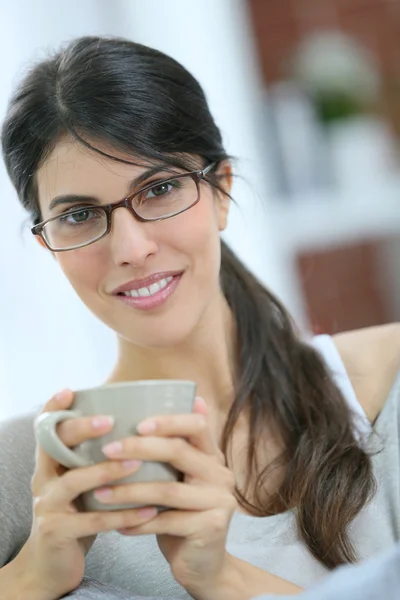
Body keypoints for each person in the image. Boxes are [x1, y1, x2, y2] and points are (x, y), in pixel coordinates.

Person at [0, 35, 399, 600]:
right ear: (47, 245)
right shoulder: (31, 471)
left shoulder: (389, 386)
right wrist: (31, 574)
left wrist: (222, 577)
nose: (132, 248)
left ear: (221, 192)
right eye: (80, 215)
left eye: (160, 189)